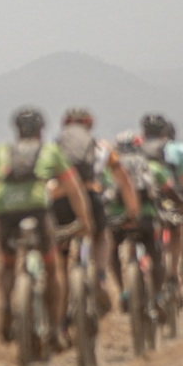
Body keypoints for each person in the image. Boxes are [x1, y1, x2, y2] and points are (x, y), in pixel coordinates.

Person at [0, 106, 94, 349]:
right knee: (52, 266)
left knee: (8, 262)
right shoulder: (50, 151)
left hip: (5, 211)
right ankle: (53, 328)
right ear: (42, 130)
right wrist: (84, 222)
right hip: (36, 209)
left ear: (16, 130)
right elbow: (74, 189)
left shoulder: (2, 151)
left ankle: (8, 304)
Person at [50, 107, 137, 317]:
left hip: (61, 201)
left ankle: (61, 324)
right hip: (91, 196)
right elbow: (124, 181)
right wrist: (133, 212)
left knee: (61, 256)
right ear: (90, 124)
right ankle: (99, 277)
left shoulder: (55, 148)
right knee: (100, 235)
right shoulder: (102, 147)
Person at [105, 130, 177, 314]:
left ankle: (122, 292)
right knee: (156, 255)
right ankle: (159, 296)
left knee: (112, 251)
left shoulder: (109, 169)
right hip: (146, 218)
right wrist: (181, 208)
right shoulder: (151, 166)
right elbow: (169, 190)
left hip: (117, 221)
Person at [137, 113, 183, 283]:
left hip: (143, 196)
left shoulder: (138, 148)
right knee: (180, 227)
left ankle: (142, 266)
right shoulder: (181, 150)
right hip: (173, 195)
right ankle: (179, 266)